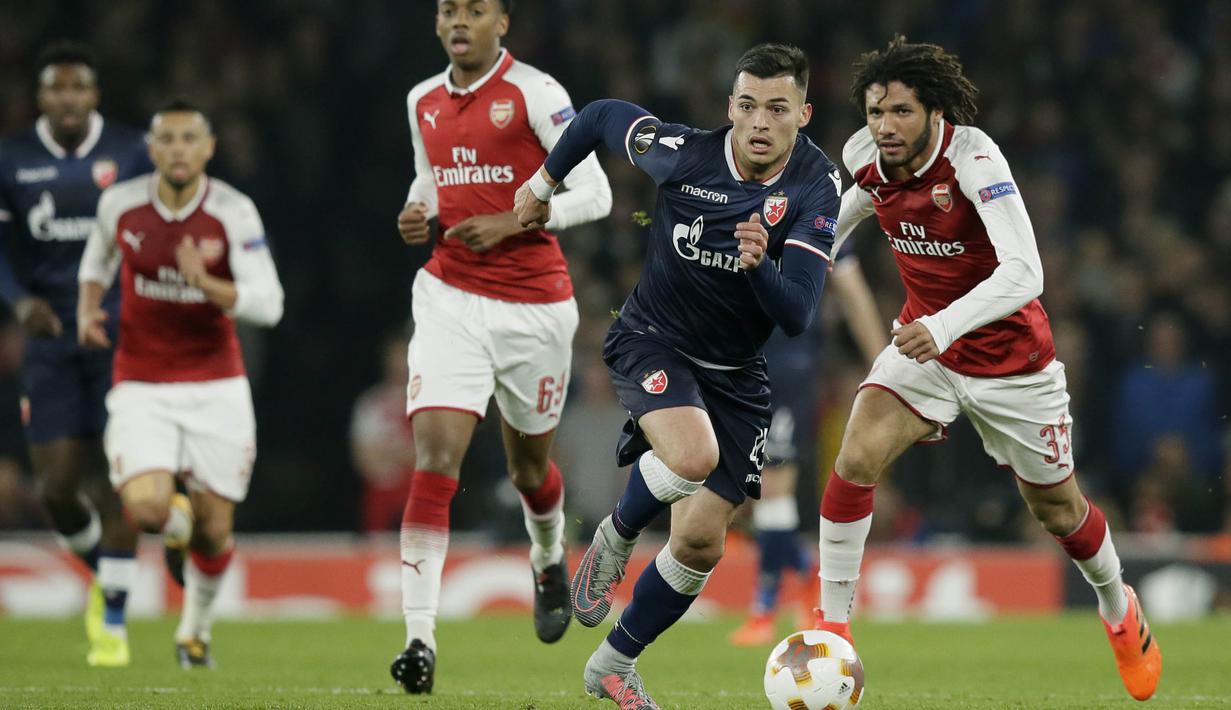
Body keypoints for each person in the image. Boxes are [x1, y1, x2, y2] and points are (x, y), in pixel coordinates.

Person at [815, 36, 1161, 701]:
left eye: (900, 112)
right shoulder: (866, 155)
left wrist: (940, 326)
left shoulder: (973, 158)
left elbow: (1025, 273)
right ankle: (833, 629)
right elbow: (845, 215)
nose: (884, 127)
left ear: (935, 110)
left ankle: (1117, 609)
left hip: (1010, 364)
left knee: (1057, 511)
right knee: (856, 454)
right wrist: (791, 257)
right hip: (925, 351)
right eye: (874, 112)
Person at [515, 42, 840, 709]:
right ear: (729, 106)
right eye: (746, 105)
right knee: (691, 456)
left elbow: (799, 313)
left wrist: (760, 268)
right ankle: (617, 531)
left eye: (776, 109)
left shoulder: (815, 185)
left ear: (802, 114)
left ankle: (611, 665)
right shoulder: (683, 153)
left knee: (700, 539)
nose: (758, 121)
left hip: (737, 373)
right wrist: (543, 184)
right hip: (652, 339)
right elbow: (602, 116)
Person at [391, 0, 612, 694]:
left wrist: (512, 221)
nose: (460, 21)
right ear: (436, 24)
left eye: (475, 9)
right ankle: (418, 640)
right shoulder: (421, 99)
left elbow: (599, 193)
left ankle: (547, 556)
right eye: (448, 10)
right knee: (435, 456)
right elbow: (430, 178)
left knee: (527, 471)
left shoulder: (537, 94)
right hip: (449, 297)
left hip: (534, 311)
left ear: (501, 22)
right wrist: (416, 209)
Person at [77, 100, 284, 669]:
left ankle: (194, 632)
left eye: (189, 138)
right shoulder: (120, 205)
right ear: (152, 149)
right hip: (141, 381)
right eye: (166, 139)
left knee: (216, 532)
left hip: (217, 385)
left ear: (208, 148)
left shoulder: (233, 213)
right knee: (144, 510)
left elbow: (269, 304)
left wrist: (207, 284)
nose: (177, 149)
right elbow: (97, 258)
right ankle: (175, 521)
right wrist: (88, 307)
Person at [0, 40, 149, 667]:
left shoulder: (131, 152)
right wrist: (16, 302)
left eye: (79, 88)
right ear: (41, 97)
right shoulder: (11, 159)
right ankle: (105, 572)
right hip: (50, 340)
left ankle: (111, 621)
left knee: (121, 481)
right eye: (57, 88)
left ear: (94, 95)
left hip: (120, 337)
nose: (69, 99)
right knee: (57, 486)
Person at [728, 246, 883, 647]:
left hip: (786, 370)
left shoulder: (818, 208)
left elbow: (853, 291)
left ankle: (763, 610)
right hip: (730, 366)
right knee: (742, 501)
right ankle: (806, 573)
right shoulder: (723, 197)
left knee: (772, 490)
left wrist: (884, 365)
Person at [350, 329, 416, 533]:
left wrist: (390, 453)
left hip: (417, 494)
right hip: (380, 495)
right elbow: (363, 457)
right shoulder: (371, 403)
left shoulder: (428, 402)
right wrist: (403, 455)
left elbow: (432, 456)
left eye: (405, 355)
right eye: (395, 356)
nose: (400, 363)